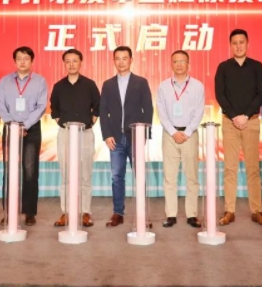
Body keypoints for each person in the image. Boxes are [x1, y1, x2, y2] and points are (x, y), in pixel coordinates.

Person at [214, 29, 262, 226]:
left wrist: (246, 115)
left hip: (251, 121)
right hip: (230, 123)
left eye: (241, 42)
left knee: (253, 168)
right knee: (230, 168)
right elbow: (220, 94)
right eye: (235, 43)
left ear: (247, 44)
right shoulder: (223, 67)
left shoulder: (257, 66)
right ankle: (229, 210)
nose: (238, 46)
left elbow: (261, 93)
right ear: (230, 45)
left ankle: (257, 210)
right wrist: (235, 116)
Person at [100, 46, 153, 227]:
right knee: (117, 176)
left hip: (135, 136)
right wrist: (107, 135)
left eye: (124, 58)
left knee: (140, 175)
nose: (121, 62)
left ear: (131, 60)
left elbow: (148, 108)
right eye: (118, 58)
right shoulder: (108, 84)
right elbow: (103, 111)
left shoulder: (141, 82)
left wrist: (144, 133)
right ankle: (118, 213)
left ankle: (142, 215)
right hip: (115, 138)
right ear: (114, 61)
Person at [0, 46, 47, 226]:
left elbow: (41, 106)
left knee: (30, 171)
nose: (22, 62)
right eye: (19, 58)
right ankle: (8, 211)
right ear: (14, 61)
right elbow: (0, 106)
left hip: (31, 130)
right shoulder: (5, 81)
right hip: (10, 129)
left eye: (26, 58)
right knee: (9, 171)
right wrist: (13, 125)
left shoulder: (40, 81)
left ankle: (29, 212)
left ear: (32, 61)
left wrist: (25, 125)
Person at [50, 49, 100, 228]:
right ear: (64, 63)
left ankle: (85, 212)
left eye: (75, 61)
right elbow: (54, 108)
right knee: (66, 174)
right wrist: (61, 122)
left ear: (81, 62)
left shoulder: (89, 84)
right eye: (68, 61)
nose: (71, 64)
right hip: (65, 133)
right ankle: (66, 212)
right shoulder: (59, 86)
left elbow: (98, 106)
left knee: (85, 174)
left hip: (85, 133)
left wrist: (91, 122)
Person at [156, 50, 204, 228]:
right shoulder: (163, 86)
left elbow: (199, 111)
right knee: (170, 177)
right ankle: (171, 214)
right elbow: (161, 111)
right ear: (171, 64)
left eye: (182, 61)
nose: (179, 65)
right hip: (170, 135)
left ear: (188, 64)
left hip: (189, 135)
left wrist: (188, 131)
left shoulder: (197, 86)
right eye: (175, 61)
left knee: (192, 177)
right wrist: (173, 131)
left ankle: (192, 215)